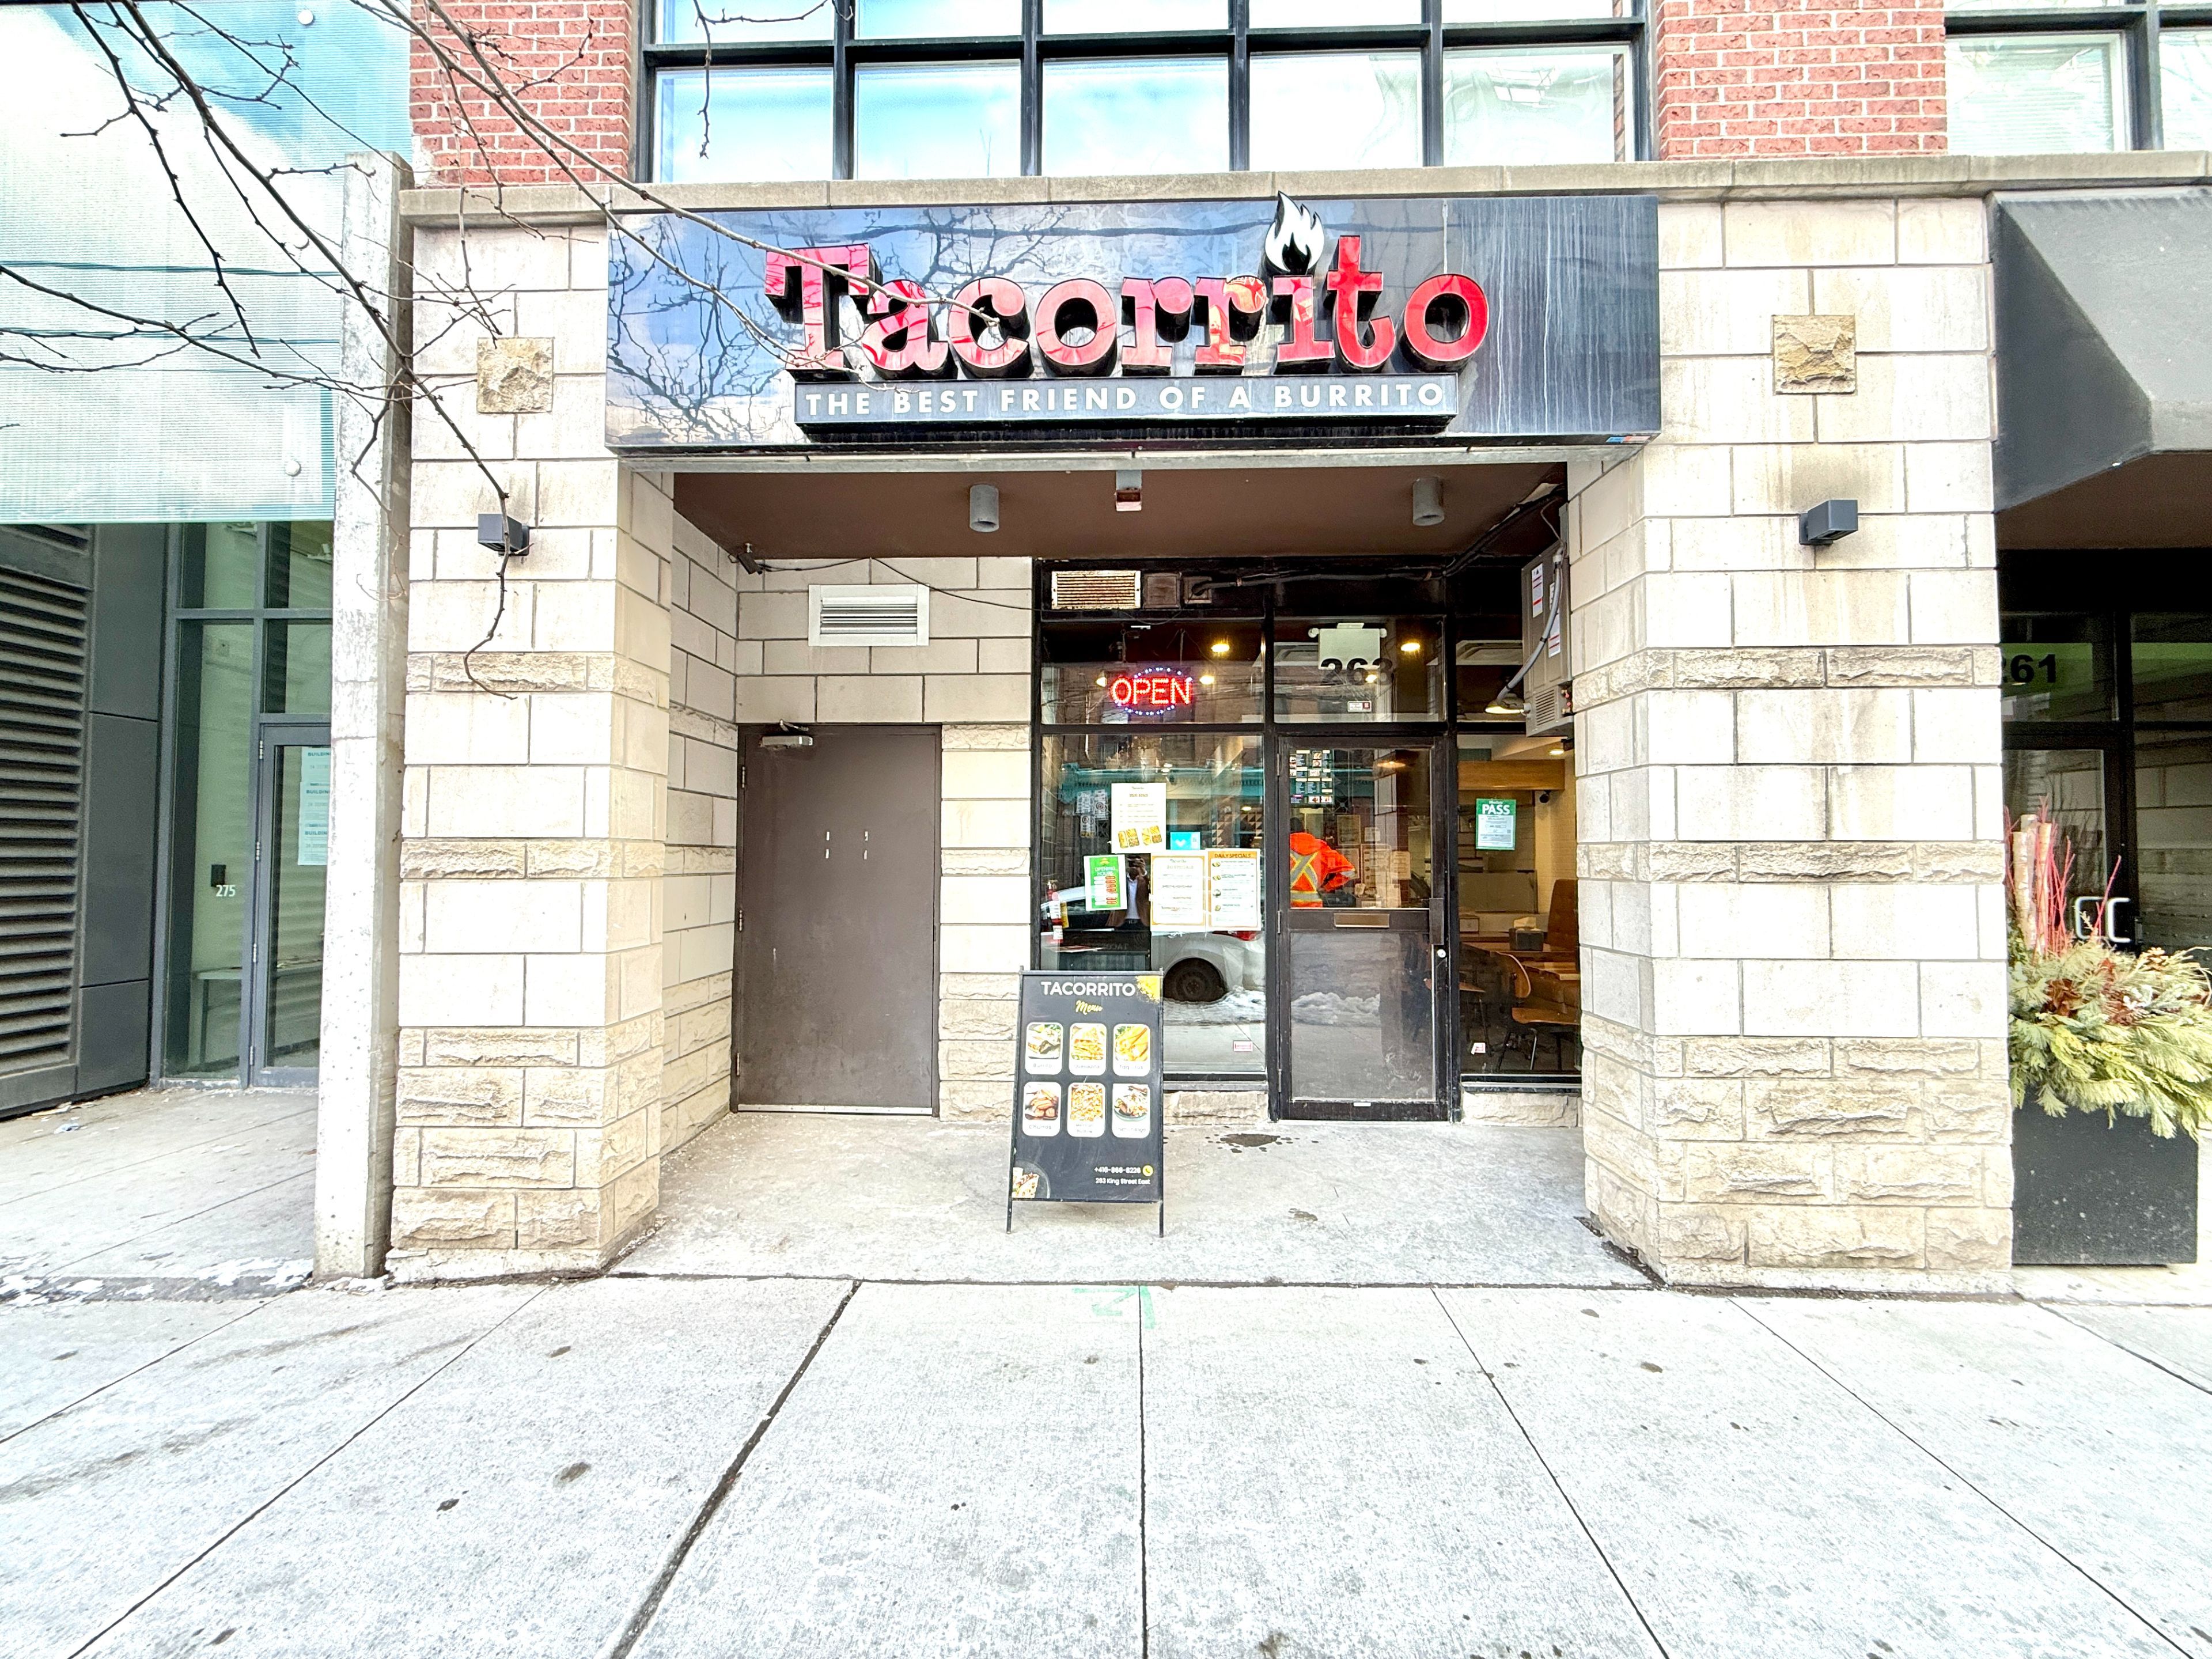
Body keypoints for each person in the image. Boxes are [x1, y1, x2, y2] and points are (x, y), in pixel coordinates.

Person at [1288, 827, 1355, 908]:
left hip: (1286, 905)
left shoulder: (1281, 849)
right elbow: (1349, 871)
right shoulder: (1322, 850)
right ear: (1306, 831)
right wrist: (1327, 887)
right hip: (1313, 907)